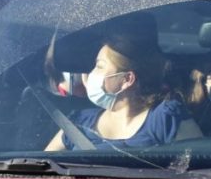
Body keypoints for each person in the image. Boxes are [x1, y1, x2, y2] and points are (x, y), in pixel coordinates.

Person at [46, 30, 202, 150]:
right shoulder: (78, 122)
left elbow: (201, 171)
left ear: (127, 79)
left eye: (99, 66)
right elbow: (40, 169)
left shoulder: (164, 118)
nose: (90, 73)